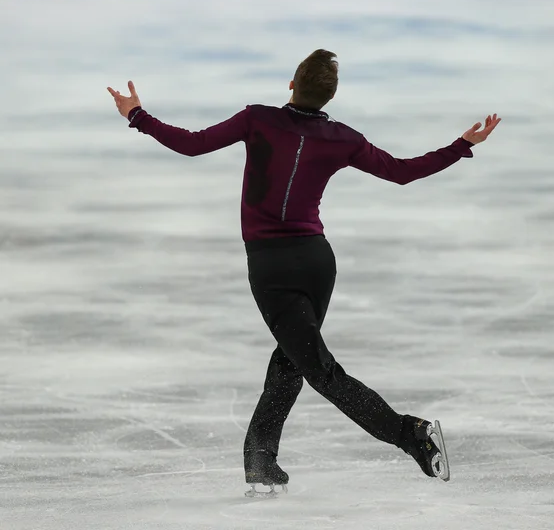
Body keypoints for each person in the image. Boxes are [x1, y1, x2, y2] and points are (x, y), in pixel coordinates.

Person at [108, 49, 501, 496]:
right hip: (317, 262)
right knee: (294, 356)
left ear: (291, 85)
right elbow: (401, 172)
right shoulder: (342, 138)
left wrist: (137, 114)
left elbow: (193, 144)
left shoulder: (257, 119)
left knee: (318, 369)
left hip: (271, 266)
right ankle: (259, 457)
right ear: (330, 94)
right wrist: (462, 145)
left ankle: (410, 434)